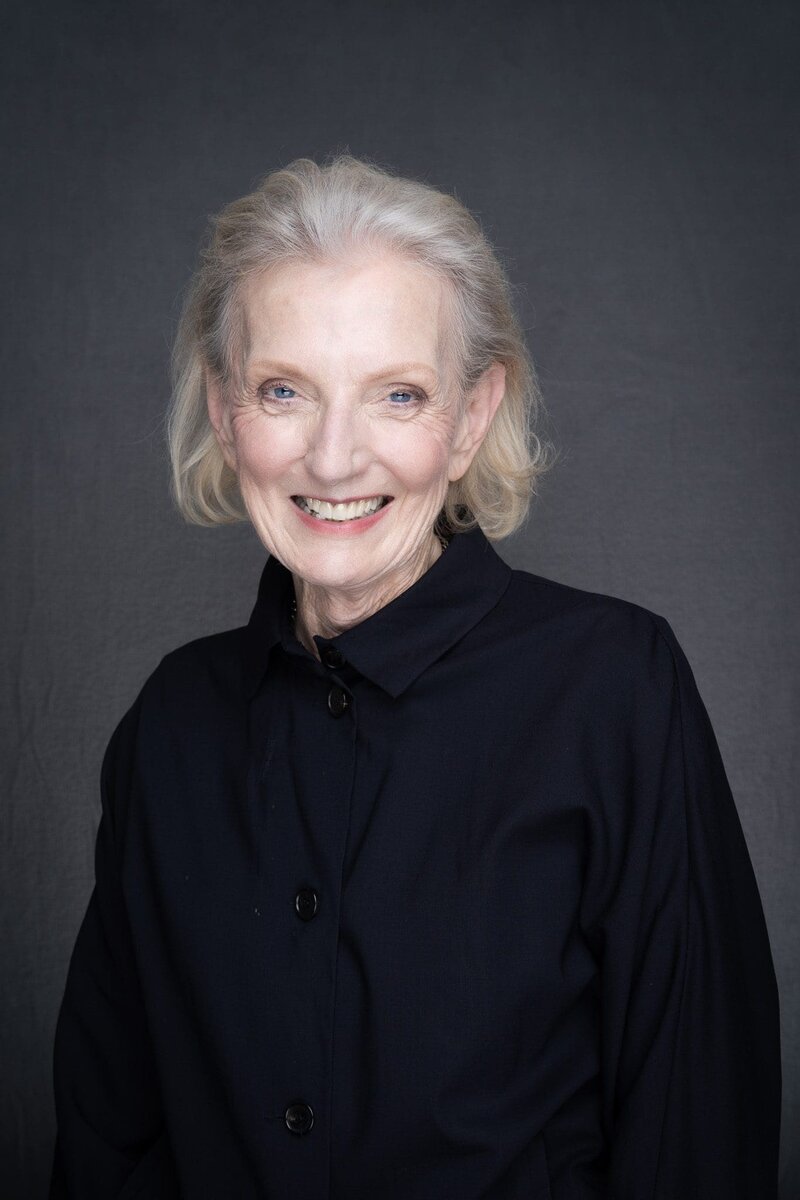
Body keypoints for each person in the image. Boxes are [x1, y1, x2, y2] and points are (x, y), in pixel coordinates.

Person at [49, 154, 781, 1200]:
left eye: (397, 394)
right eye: (283, 390)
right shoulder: (170, 722)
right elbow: (104, 1139)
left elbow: (695, 1133)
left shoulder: (616, 688)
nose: (335, 459)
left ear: (472, 416)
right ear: (222, 408)